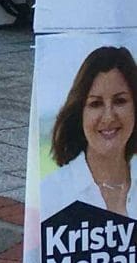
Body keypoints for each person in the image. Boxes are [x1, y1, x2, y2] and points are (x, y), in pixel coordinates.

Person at [42, 46, 137, 218]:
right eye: (96, 104)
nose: (108, 117)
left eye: (120, 101)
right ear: (80, 113)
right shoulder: (51, 193)